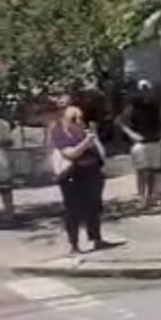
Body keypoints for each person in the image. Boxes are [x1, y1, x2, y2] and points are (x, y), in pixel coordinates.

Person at [51, 105, 109, 254]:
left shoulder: (85, 133)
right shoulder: (60, 133)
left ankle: (96, 238)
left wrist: (91, 139)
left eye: (80, 118)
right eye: (73, 119)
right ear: (65, 120)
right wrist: (86, 143)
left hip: (91, 172)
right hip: (71, 175)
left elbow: (98, 152)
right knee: (73, 210)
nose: (78, 121)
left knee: (94, 206)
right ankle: (74, 244)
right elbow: (70, 154)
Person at [117, 80, 161, 209]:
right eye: (143, 89)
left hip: (154, 141)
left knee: (153, 171)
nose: (145, 91)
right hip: (141, 144)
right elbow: (120, 121)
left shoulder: (155, 106)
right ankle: (142, 197)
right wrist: (132, 134)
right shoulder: (133, 106)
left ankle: (151, 196)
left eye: (147, 88)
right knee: (142, 172)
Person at [0, 118, 13, 221]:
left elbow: (9, 141)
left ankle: (8, 213)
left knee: (4, 187)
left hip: (0, 156)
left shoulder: (2, 124)